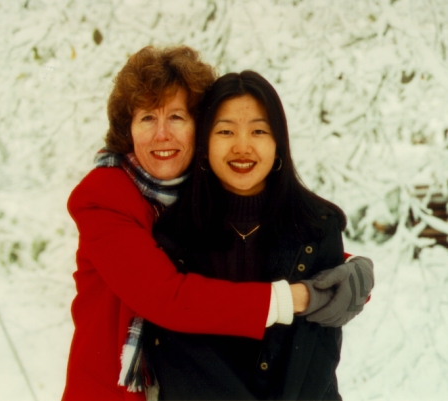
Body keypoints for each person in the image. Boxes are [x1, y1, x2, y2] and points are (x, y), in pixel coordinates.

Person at [62, 45, 373, 401]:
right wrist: (297, 296)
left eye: (177, 117)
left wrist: (345, 266)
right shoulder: (104, 195)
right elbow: (167, 295)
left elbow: (277, 243)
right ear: (127, 129)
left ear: (200, 127)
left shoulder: (197, 193)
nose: (162, 134)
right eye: (148, 117)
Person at [148, 70, 374, 400]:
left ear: (278, 143)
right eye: (225, 131)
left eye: (259, 131)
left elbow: (317, 355)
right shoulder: (173, 234)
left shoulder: (318, 227)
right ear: (205, 144)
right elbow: (178, 361)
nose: (243, 146)